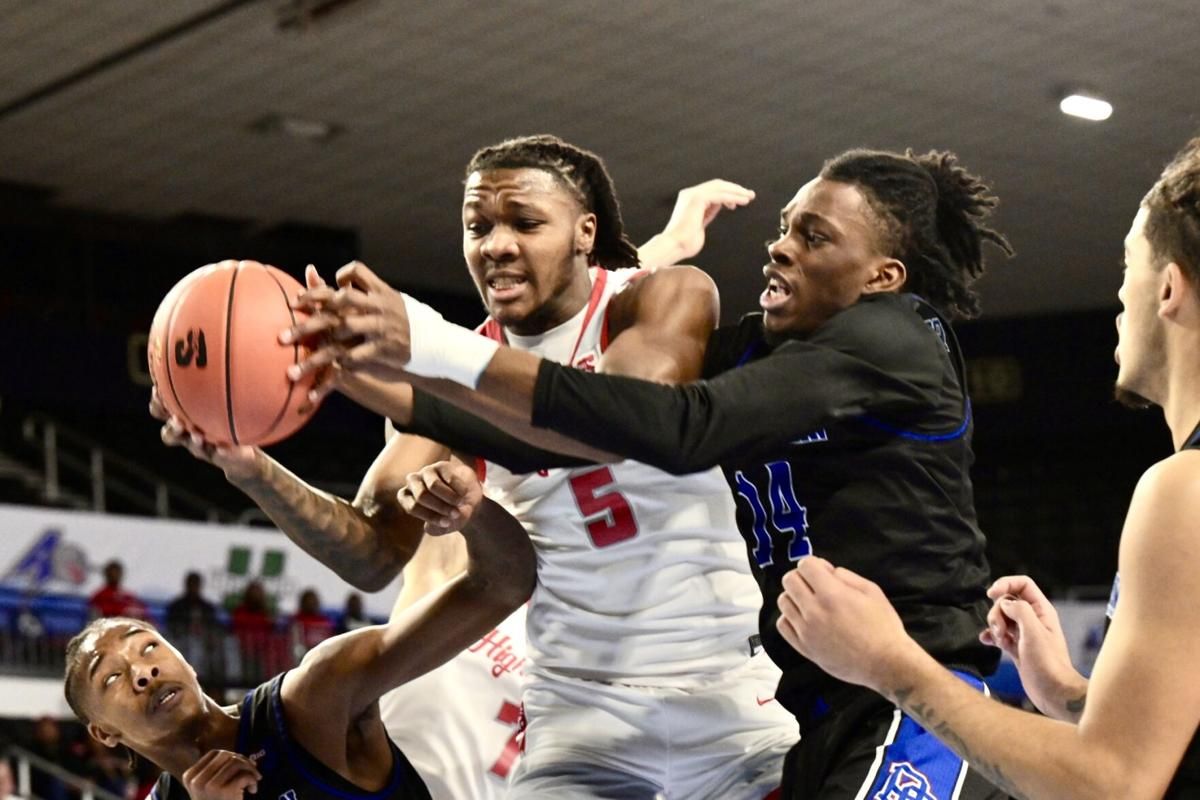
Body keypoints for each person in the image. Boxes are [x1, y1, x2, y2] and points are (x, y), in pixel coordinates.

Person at [294, 146, 1014, 799]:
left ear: (883, 276)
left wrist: (427, 344)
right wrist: (381, 380)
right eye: (786, 227)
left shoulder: (894, 339)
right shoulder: (762, 352)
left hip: (914, 696)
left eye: (813, 237)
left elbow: (679, 427)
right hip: (818, 708)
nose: (779, 247)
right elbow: (602, 420)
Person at [283, 134, 794, 798]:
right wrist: (246, 462)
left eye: (524, 223)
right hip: (578, 713)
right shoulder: (446, 374)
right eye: (478, 227)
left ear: (586, 232)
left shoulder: (665, 296)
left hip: (731, 699)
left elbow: (623, 420)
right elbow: (372, 557)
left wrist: (426, 355)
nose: (496, 244)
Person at [770, 136, 1200, 799]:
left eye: (1128, 265)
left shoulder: (1184, 488)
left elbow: (1112, 783)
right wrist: (1067, 693)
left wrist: (889, 662)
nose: (1120, 291)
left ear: (1168, 287)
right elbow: (1159, 741)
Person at [61, 459, 534, 800]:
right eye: (111, 677)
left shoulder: (315, 699)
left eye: (147, 647)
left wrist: (472, 512)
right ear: (104, 734)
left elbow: (501, 586)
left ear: (186, 659)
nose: (142, 672)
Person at [165, 572, 218, 637]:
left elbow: (213, 627)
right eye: (191, 584)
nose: (193, 587)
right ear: (187, 585)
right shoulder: (176, 607)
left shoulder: (207, 608)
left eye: (195, 584)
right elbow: (171, 625)